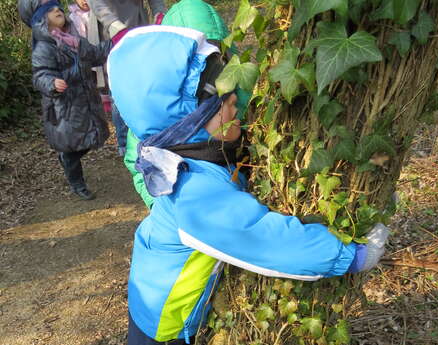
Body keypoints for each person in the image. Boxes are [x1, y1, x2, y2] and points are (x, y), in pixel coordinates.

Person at [108, 24, 390, 345]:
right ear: (194, 123)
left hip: (156, 301)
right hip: (164, 327)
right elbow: (259, 237)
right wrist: (350, 254)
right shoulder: (192, 190)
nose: (237, 108)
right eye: (226, 105)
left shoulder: (197, 156)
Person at [123, 0, 251, 209]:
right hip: (183, 199)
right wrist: (158, 204)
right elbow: (136, 160)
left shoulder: (238, 86)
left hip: (234, 192)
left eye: (217, 50)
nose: (210, 60)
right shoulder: (157, 107)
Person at [18, 0, 112, 200]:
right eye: (50, 10)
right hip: (64, 109)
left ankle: (68, 160)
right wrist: (51, 83)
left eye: (58, 7)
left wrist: (116, 42)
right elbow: (39, 75)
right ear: (41, 20)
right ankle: (77, 183)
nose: (57, 10)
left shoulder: (73, 39)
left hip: (85, 102)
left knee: (91, 139)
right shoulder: (43, 46)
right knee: (71, 148)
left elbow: (95, 54)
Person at [87, 0, 167, 156]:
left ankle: (145, 135)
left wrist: (160, 12)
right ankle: (124, 143)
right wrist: (114, 26)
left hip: (138, 26)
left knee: (143, 83)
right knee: (118, 90)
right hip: (110, 31)